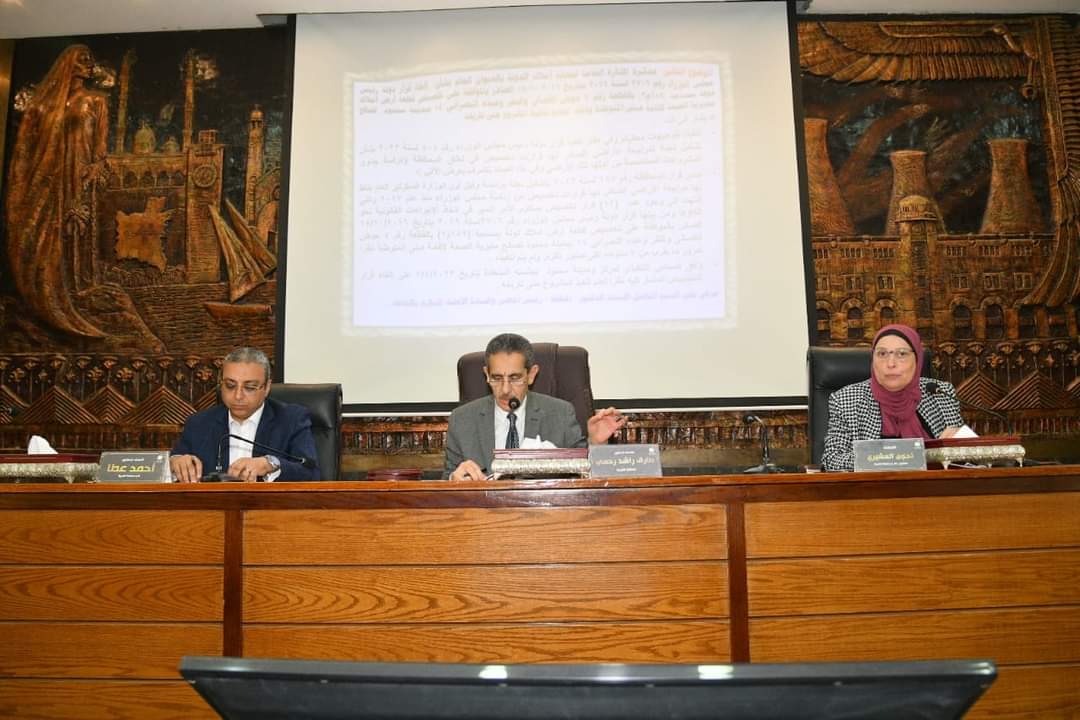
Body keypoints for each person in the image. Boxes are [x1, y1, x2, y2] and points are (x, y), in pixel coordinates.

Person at [5, 44, 110, 338]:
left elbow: (100, 143)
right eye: (82, 60)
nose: (89, 64)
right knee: (51, 229)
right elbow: (28, 143)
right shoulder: (47, 105)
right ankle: (46, 289)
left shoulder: (96, 101)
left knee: (79, 226)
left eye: (90, 60)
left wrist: (97, 165)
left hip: (80, 171)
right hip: (51, 176)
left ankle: (78, 286)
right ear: (68, 64)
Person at [445, 333, 627, 481]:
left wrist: (596, 443)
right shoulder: (462, 420)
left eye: (515, 378)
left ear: (531, 375)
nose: (505, 390)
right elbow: (445, 480)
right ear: (486, 374)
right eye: (497, 378)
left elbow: (583, 475)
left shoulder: (561, 414)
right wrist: (454, 479)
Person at [821, 323, 964, 472]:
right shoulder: (846, 400)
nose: (890, 364)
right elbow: (832, 460)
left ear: (917, 359)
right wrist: (895, 457)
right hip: (874, 485)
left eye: (901, 354)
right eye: (882, 354)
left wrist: (963, 446)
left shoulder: (940, 394)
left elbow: (968, 460)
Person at [169, 347, 320, 482]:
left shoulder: (291, 419)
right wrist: (175, 463)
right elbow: (175, 462)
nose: (238, 396)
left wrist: (271, 465)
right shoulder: (199, 423)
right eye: (230, 386)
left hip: (268, 504)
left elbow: (311, 472)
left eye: (250, 387)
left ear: (267, 388)